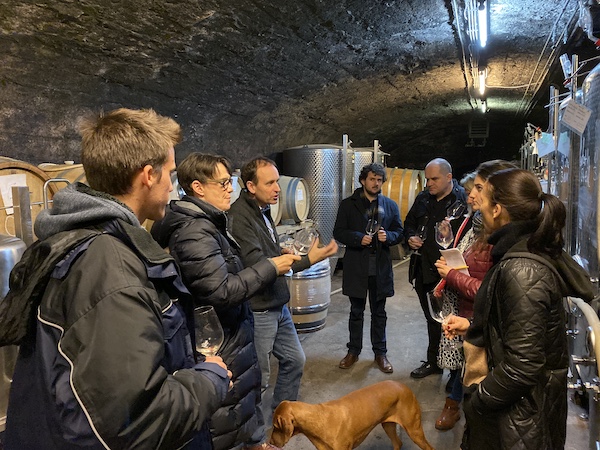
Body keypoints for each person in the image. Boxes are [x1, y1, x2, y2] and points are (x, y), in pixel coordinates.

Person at [0, 108, 231, 449]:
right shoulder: (109, 267)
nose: (172, 185)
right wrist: (210, 380)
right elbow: (137, 420)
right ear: (148, 175)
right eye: (169, 172)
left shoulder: (83, 238)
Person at [151, 153, 300, 450]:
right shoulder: (195, 230)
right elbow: (219, 289)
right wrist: (271, 267)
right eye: (222, 183)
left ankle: (255, 440)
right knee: (226, 409)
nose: (230, 188)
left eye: (229, 181)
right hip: (220, 332)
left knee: (244, 393)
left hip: (231, 328)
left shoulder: (208, 221)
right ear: (198, 187)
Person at [444, 168, 594, 449]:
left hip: (518, 418)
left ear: (498, 209)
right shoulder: (522, 252)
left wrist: (480, 400)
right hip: (522, 411)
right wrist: (479, 326)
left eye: (483, 196)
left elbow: (523, 365)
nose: (477, 202)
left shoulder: (521, 268)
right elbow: (523, 328)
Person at [228, 157, 338, 417]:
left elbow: (268, 255)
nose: (277, 188)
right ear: (251, 186)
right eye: (270, 183)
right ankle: (254, 436)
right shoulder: (240, 218)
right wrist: (308, 259)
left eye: (278, 181)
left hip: (277, 304)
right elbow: (260, 266)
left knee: (294, 360)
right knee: (260, 376)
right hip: (260, 310)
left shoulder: (263, 211)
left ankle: (283, 415)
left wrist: (281, 251)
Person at [432, 160, 516, 431]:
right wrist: (446, 282)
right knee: (463, 366)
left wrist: (451, 276)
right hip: (468, 310)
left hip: (478, 315)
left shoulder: (500, 241)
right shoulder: (474, 224)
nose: (469, 195)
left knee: (472, 375)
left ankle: (456, 405)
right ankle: (460, 405)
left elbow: (487, 289)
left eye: (478, 188)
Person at [333, 163, 404, 373]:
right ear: (363, 180)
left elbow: (399, 231)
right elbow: (339, 232)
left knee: (379, 312)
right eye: (372, 179)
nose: (376, 183)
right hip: (357, 266)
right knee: (356, 311)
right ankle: (353, 351)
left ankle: (380, 353)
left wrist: (388, 237)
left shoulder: (390, 205)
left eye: (380, 180)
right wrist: (358, 238)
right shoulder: (349, 205)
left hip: (380, 267)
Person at [404, 158, 467, 378]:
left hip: (446, 272)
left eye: (434, 179)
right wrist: (410, 237)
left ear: (449, 177)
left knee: (452, 322)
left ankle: (457, 372)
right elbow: (409, 222)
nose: (429, 183)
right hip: (422, 269)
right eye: (427, 179)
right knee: (432, 319)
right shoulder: (423, 198)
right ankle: (435, 362)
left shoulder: (461, 201)